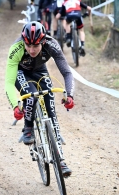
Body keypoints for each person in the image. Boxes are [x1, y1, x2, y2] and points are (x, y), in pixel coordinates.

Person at [5, 21, 75, 176]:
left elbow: (67, 73)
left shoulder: (52, 44)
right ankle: (28, 128)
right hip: (20, 73)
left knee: (51, 108)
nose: (31, 50)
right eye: (28, 45)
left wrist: (69, 95)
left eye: (35, 46)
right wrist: (15, 105)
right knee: (30, 96)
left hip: (39, 70)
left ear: (43, 42)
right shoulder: (15, 49)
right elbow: (9, 83)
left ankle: (60, 160)